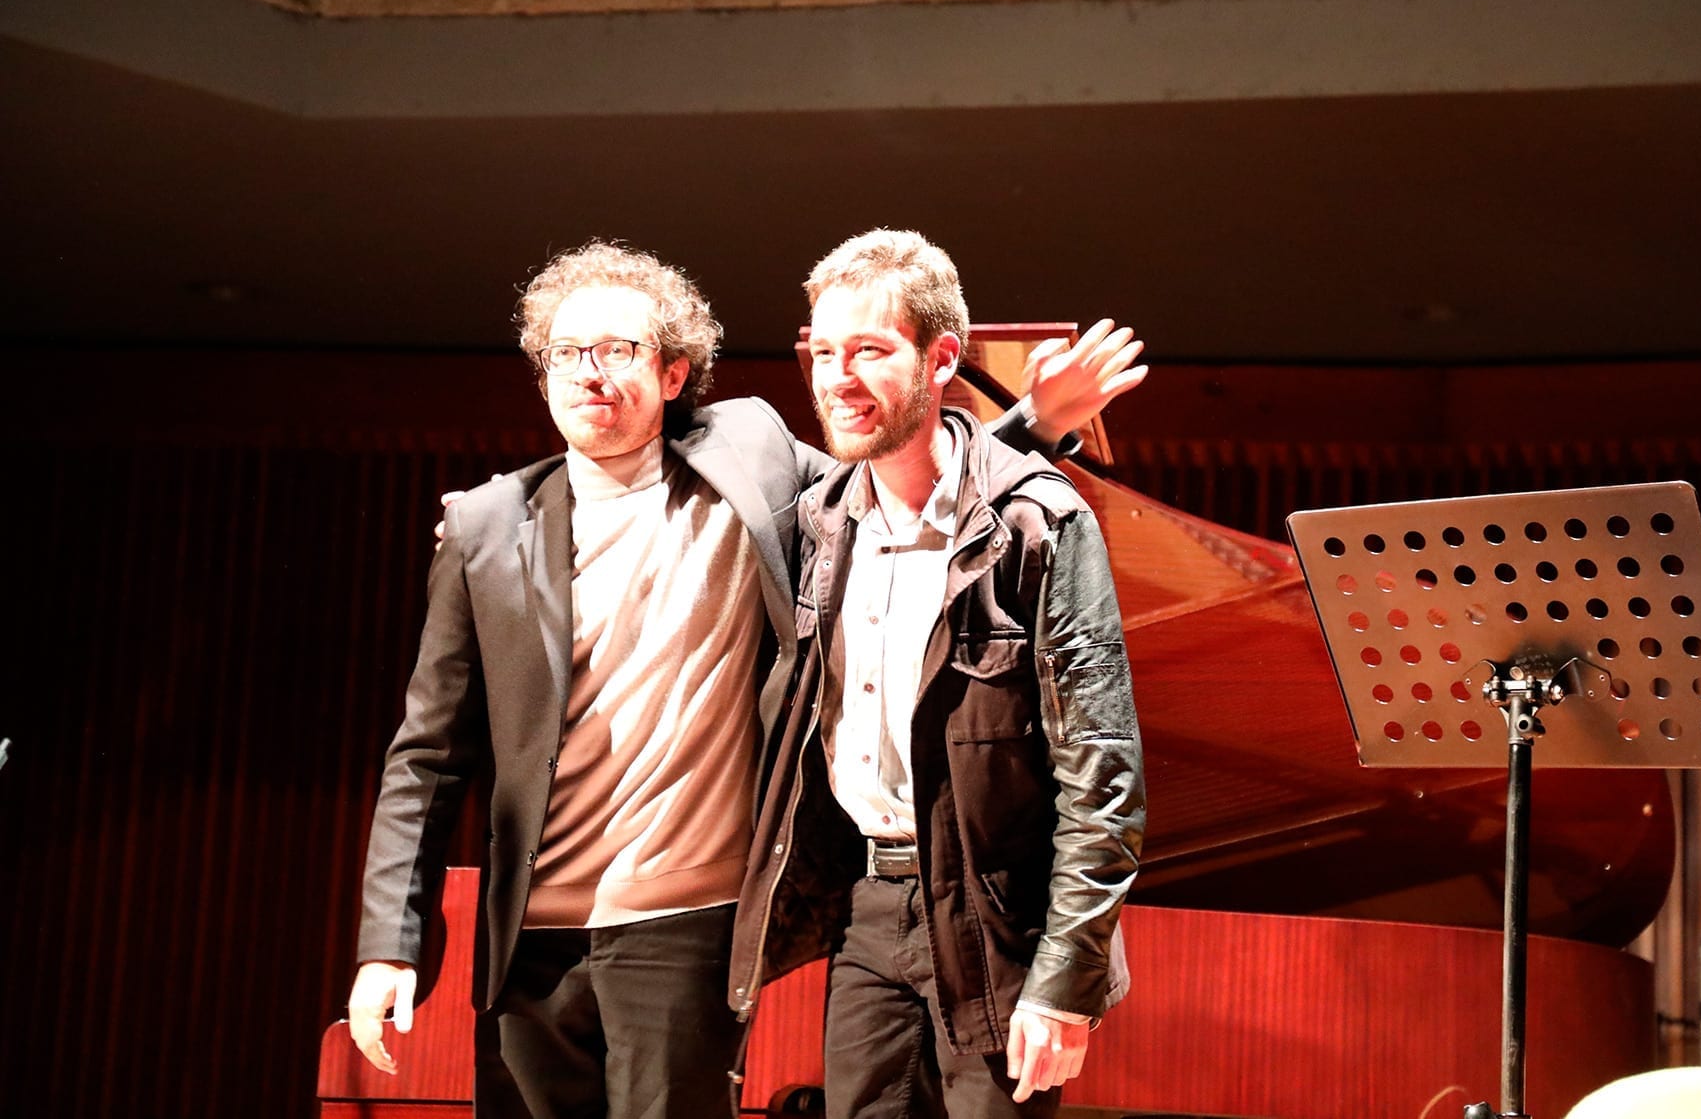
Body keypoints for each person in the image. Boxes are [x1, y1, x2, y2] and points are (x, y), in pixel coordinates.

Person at [346, 238, 1145, 1119]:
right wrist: (390, 941)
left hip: (686, 923)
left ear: (675, 371)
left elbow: (912, 484)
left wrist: (1036, 422)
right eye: (566, 352)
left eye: (618, 348)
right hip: (526, 938)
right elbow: (425, 755)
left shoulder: (752, 457)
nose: (590, 371)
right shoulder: (488, 525)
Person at [730, 230, 1146, 1118]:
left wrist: (1064, 982)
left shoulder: (1038, 520)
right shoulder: (817, 522)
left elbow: (1102, 767)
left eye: (870, 351)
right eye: (824, 352)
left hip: (999, 917)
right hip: (866, 907)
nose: (838, 378)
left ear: (942, 357)